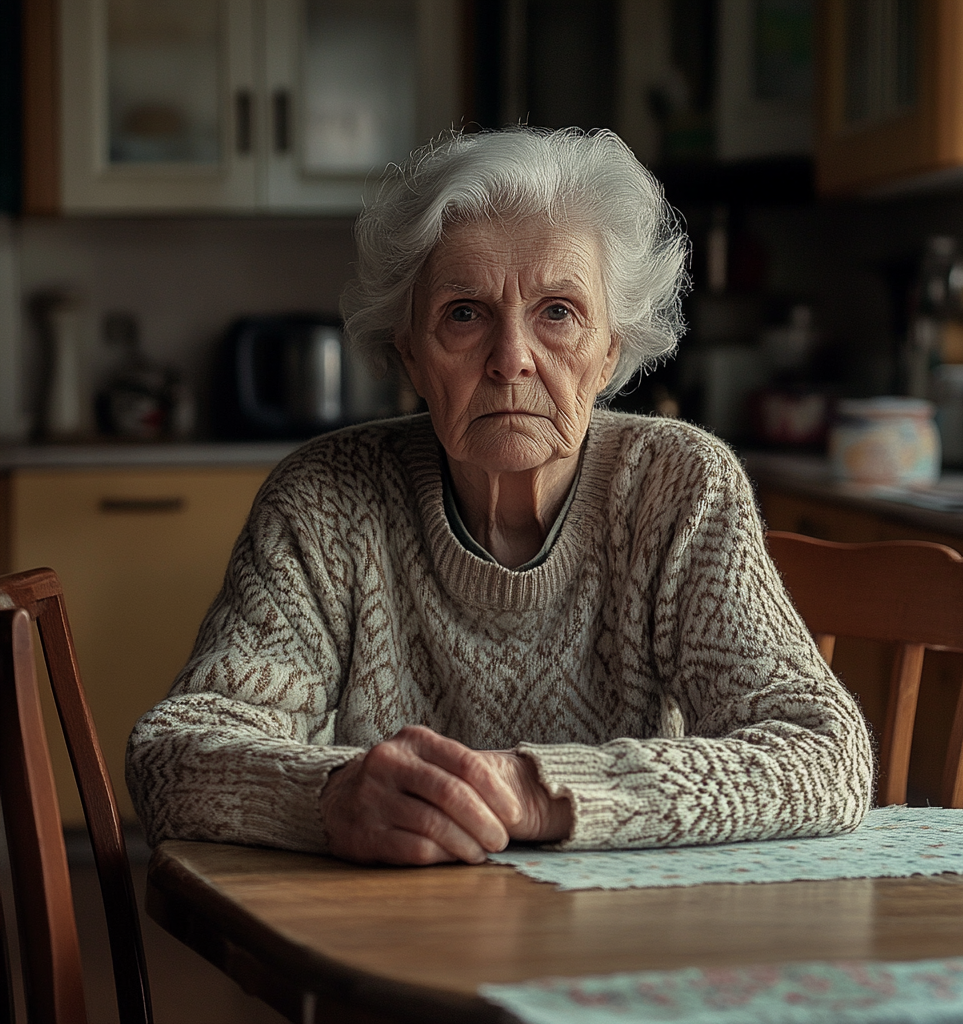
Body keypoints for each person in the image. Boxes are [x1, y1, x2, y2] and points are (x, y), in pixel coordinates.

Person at [127, 127, 872, 866]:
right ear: (410, 352)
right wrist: (329, 795)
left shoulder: (678, 490)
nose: (512, 359)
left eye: (558, 313)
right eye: (464, 313)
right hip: (385, 936)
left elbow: (825, 754)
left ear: (611, 348)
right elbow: (171, 756)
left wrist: (535, 790)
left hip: (627, 945)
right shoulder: (325, 502)